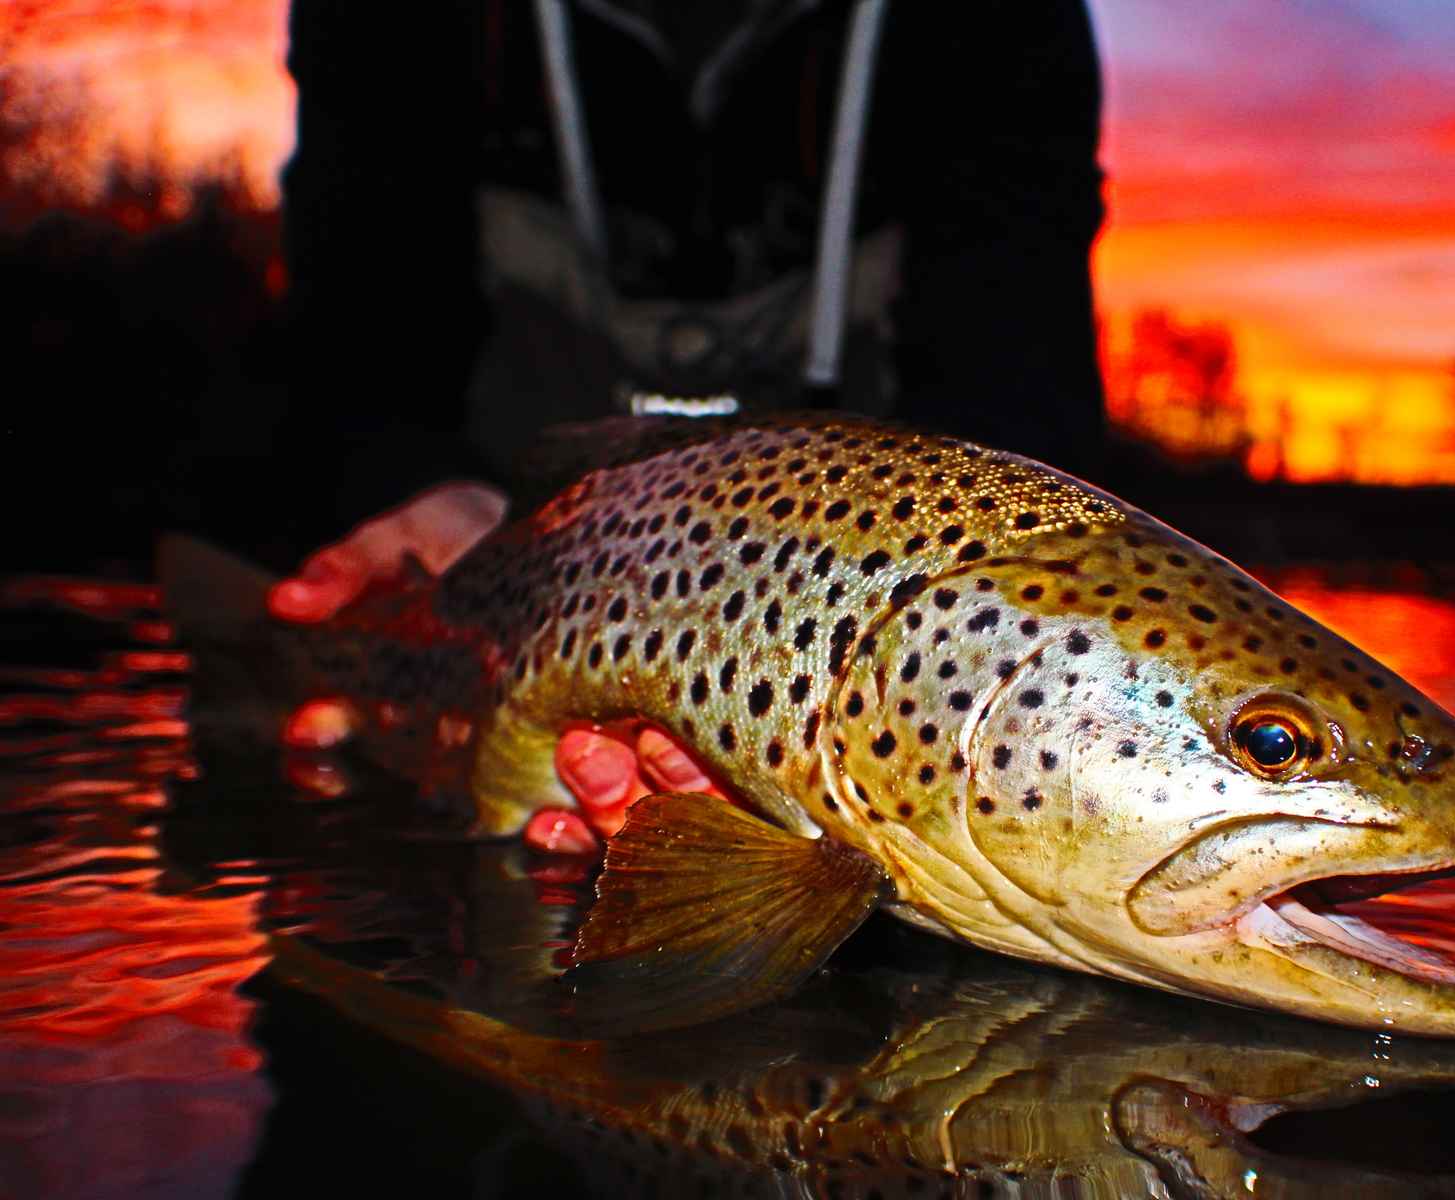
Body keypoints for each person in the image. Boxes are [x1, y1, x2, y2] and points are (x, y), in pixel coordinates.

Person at [274, 0, 1109, 849]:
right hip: (505, 539)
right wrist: (399, 491)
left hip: (856, 596)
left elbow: (1022, 393)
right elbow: (352, 318)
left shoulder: (1004, 28)